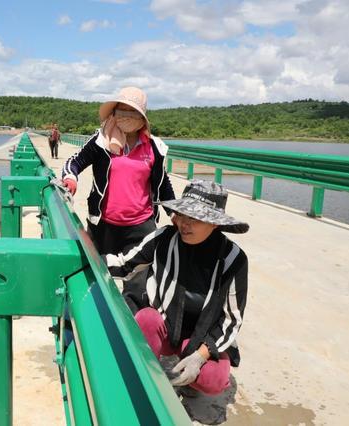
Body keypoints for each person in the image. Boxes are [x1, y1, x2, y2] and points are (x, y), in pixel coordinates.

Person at [105, 180, 249, 396]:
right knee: (145, 319)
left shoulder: (232, 259)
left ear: (215, 223)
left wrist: (200, 355)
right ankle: (143, 375)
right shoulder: (164, 239)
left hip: (202, 337)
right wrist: (86, 256)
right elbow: (125, 264)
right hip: (165, 325)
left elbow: (231, 319)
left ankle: (193, 374)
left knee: (213, 380)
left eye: (195, 219)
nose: (184, 224)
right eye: (182, 215)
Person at [61, 86, 175, 313]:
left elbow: (163, 187)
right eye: (120, 111)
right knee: (95, 278)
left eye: (131, 112)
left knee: (137, 289)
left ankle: (129, 337)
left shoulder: (154, 147)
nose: (125, 117)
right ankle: (92, 323)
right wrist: (70, 179)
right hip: (104, 226)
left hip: (141, 229)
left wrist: (176, 214)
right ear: (113, 113)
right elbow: (75, 161)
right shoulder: (102, 142)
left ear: (142, 118)